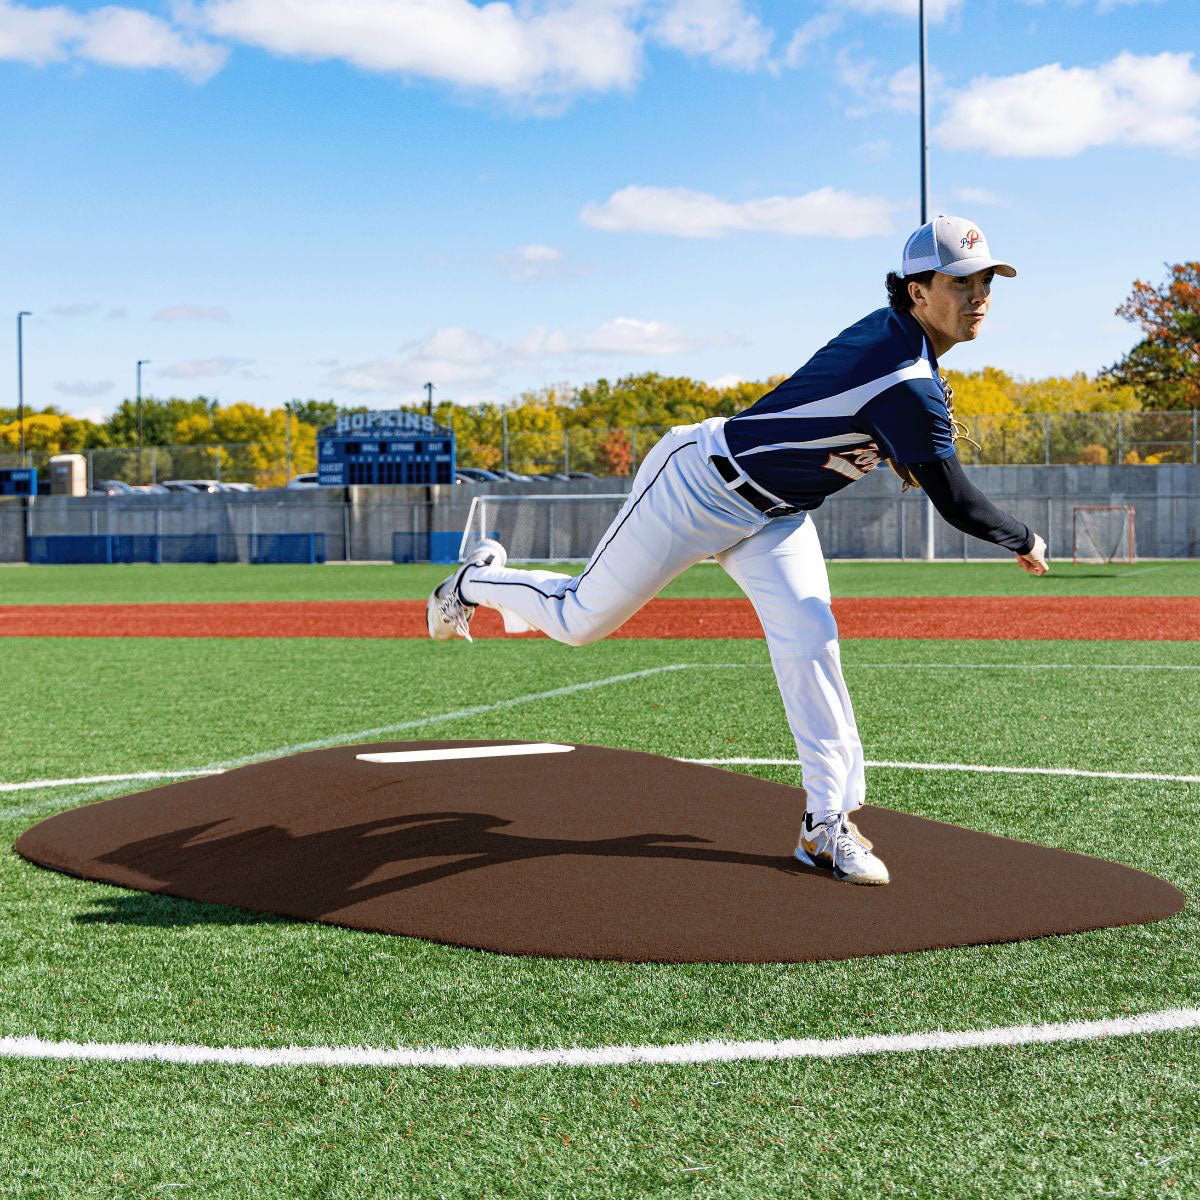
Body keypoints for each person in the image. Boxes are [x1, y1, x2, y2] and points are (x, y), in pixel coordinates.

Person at [426, 214, 1048, 886]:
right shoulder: (906, 378)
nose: (979, 292)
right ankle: (471, 582)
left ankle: (825, 826)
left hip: (775, 515)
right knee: (580, 621)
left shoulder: (902, 347)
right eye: (961, 280)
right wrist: (1024, 538)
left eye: (986, 278)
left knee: (811, 638)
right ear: (918, 291)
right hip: (697, 485)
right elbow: (956, 502)